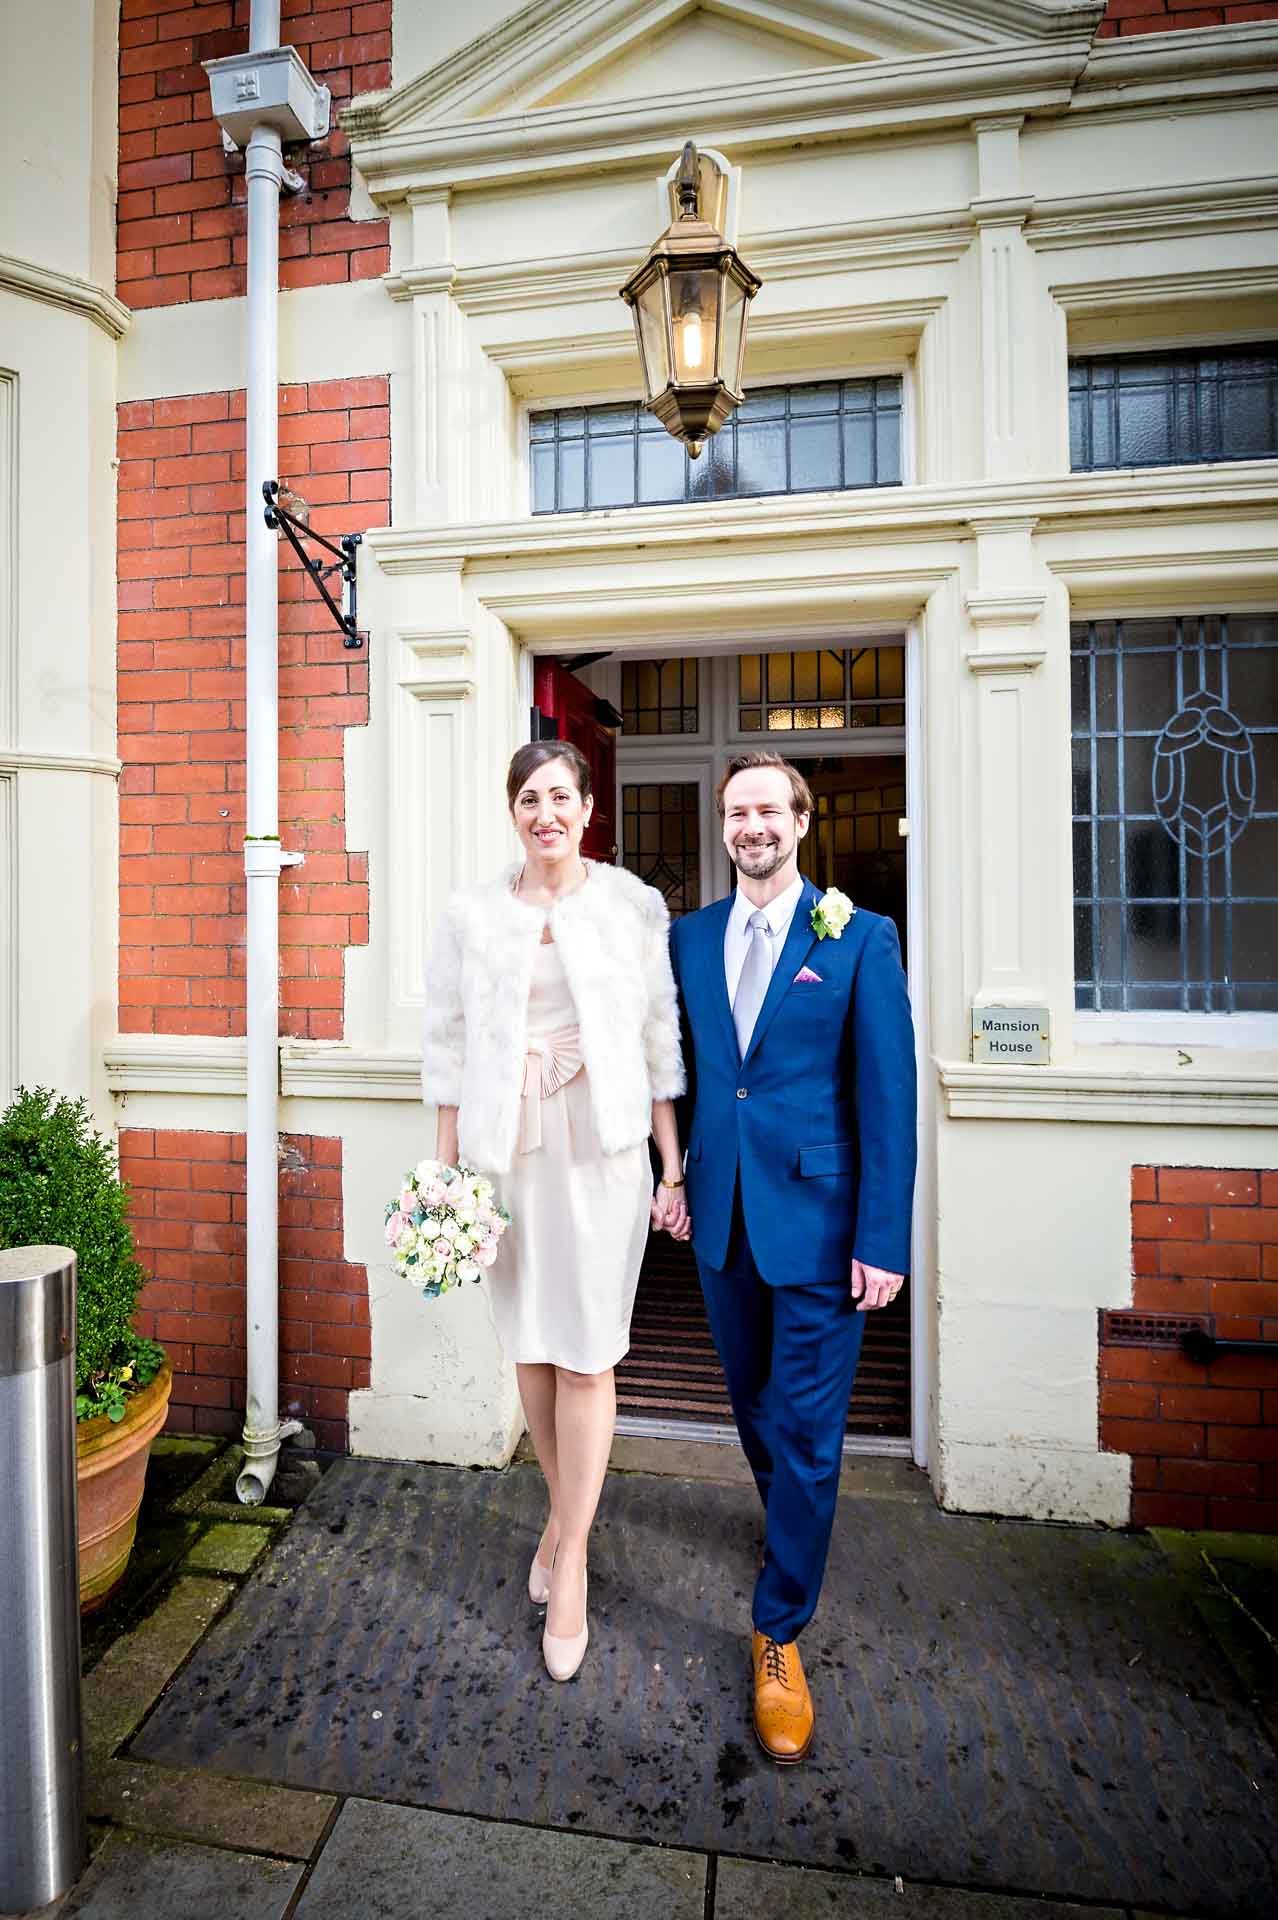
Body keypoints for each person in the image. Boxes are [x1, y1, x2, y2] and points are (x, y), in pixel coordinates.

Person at [667, 750, 916, 1764]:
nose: (752, 826)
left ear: (802, 821)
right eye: (737, 811)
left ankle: (779, 1633)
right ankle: (795, 1527)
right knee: (753, 1406)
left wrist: (883, 1239)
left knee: (809, 1427)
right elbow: (677, 1072)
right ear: (723, 827)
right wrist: (673, 1173)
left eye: (770, 808)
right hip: (723, 1220)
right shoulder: (687, 939)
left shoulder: (858, 938)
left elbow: (888, 1097)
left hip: (820, 1226)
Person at [421, 740, 688, 1682]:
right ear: (514, 811)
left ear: (587, 808)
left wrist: (670, 1163)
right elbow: (449, 1050)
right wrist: (444, 1174)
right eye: (530, 798)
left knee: (588, 1349)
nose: (547, 813)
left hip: (601, 1147)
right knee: (530, 1344)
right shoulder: (470, 917)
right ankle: (565, 1513)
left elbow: (660, 1036)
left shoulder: (629, 907)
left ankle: (568, 1556)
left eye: (561, 796)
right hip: (510, 1151)